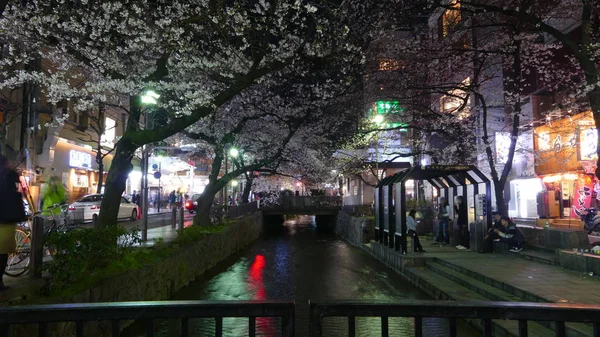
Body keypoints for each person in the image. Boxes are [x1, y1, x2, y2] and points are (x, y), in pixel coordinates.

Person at [0, 156, 25, 291]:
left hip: (5, 218)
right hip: (5, 218)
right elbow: (15, 193)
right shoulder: (10, 176)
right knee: (3, 252)